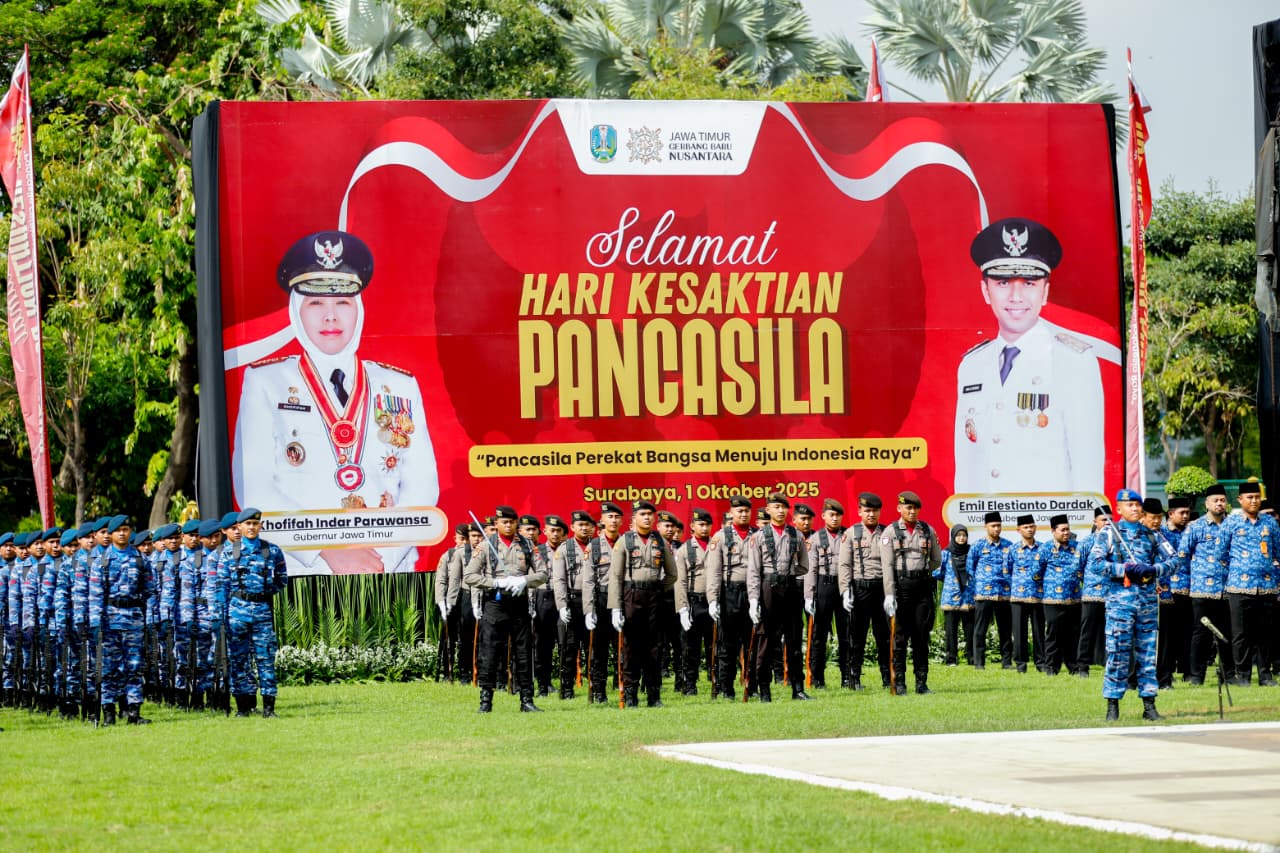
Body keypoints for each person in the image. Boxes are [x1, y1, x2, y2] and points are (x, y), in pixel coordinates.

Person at [232, 229, 439, 575]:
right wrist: (325, 554)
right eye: (315, 303)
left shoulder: (399, 386)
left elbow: (422, 486)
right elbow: (255, 490)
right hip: (302, 577)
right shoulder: (265, 383)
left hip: (387, 575)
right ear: (297, 310)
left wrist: (381, 559)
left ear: (358, 308)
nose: (330, 317)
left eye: (342, 302)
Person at [954, 217, 1105, 496]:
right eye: (1002, 283)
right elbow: (965, 467)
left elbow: (1088, 471)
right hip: (985, 534)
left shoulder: (1074, 362)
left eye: (1029, 283)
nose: (1015, 296)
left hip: (1048, 533)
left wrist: (1079, 538)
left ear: (1045, 291)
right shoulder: (972, 366)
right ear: (985, 290)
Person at [1093, 489, 1174, 721]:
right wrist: (1124, 569)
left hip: (1147, 604)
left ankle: (1149, 705)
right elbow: (1096, 564)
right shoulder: (1109, 534)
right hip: (1120, 605)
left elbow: (1175, 559)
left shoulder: (1152, 535)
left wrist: (1153, 570)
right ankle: (1112, 704)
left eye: (1138, 505)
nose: (1135, 509)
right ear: (1118, 509)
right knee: (1118, 652)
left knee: (1148, 654)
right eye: (1129, 505)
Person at [465, 505, 547, 713]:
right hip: (495, 603)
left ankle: (526, 700)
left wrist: (523, 580)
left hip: (518, 603)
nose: (508, 525)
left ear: (516, 523)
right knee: (490, 652)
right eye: (504, 522)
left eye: (512, 522)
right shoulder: (486, 545)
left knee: (523, 652)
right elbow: (470, 576)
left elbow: (543, 573)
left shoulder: (527, 545)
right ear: (497, 524)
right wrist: (496, 583)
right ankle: (486, 701)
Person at [218, 508, 288, 717]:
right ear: (239, 527)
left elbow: (282, 579)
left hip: (262, 614)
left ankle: (269, 707)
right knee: (239, 660)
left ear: (261, 526)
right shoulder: (229, 553)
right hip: (237, 613)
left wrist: (265, 593)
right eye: (247, 524)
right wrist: (220, 616)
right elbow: (221, 586)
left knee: (265, 658)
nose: (251, 527)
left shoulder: (271, 551)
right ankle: (243, 706)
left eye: (255, 524)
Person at [607, 500, 677, 708]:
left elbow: (672, 574)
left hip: (654, 597)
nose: (647, 517)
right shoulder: (624, 541)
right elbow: (615, 576)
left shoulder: (659, 541)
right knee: (631, 648)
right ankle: (631, 695)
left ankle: (654, 695)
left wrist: (657, 589)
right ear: (634, 518)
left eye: (650, 514)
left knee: (654, 647)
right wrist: (616, 607)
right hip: (631, 596)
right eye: (642, 514)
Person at [89, 516, 156, 725]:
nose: (122, 534)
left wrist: (146, 615)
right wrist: (95, 621)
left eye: (126, 529)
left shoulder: (139, 558)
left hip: (134, 619)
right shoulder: (102, 560)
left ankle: (133, 712)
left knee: (134, 666)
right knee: (109, 667)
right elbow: (96, 594)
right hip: (110, 620)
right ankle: (109, 712)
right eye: (118, 530)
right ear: (110, 534)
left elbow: (150, 589)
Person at [1214, 482, 1280, 687]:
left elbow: (1277, 552)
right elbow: (1220, 554)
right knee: (1240, 635)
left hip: (1266, 586)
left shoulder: (1270, 523)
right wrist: (1238, 570)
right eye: (1249, 497)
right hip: (1238, 588)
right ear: (1240, 500)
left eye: (1256, 497)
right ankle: (1242, 675)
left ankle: (1265, 675)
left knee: (1265, 634)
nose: (1253, 501)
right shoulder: (1231, 523)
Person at [746, 492, 810, 702]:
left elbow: (804, 565)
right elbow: (754, 571)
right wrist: (754, 600)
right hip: (768, 589)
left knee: (794, 640)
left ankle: (798, 688)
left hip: (790, 588)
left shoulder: (796, 535)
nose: (780, 511)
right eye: (776, 507)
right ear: (768, 510)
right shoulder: (758, 536)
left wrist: (788, 574)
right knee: (766, 641)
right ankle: (764, 689)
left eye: (784, 507)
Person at [879, 491, 942, 695]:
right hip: (901, 589)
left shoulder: (927, 530)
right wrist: (889, 593)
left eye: (915, 508)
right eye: (908, 507)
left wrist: (921, 573)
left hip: (922, 588)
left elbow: (936, 559)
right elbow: (887, 565)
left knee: (921, 637)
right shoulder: (890, 532)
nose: (912, 511)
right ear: (899, 508)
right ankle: (899, 683)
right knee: (899, 639)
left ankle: (921, 683)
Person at [1181, 484, 1235, 685]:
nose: (1219, 504)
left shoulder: (1233, 525)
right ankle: (1197, 676)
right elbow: (1183, 556)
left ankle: (1229, 675)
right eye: (1216, 500)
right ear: (1207, 504)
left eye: (1222, 500)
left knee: (1227, 632)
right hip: (1202, 590)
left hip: (1228, 589)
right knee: (1200, 634)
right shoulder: (1195, 527)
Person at [837, 492, 892, 690]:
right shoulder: (851, 534)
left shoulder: (887, 533)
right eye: (867, 510)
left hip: (881, 590)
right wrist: (845, 591)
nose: (871, 514)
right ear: (860, 511)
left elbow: (891, 564)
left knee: (883, 636)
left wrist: (891, 594)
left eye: (875, 511)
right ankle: (854, 679)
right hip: (860, 589)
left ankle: (887, 677)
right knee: (856, 636)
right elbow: (844, 565)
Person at [705, 495, 755, 700]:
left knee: (752, 643)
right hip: (730, 593)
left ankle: (751, 686)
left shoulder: (757, 536)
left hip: (751, 593)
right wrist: (713, 599)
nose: (743, 514)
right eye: (739, 511)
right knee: (728, 645)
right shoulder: (721, 537)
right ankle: (726, 688)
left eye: (746, 511)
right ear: (731, 513)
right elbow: (714, 571)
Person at [582, 502, 624, 704]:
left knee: (624, 647)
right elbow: (588, 580)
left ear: (622, 521)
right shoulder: (594, 546)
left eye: (617, 517)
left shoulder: (627, 542)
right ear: (602, 521)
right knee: (599, 649)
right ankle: (599, 690)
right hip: (601, 599)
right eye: (610, 517)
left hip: (623, 600)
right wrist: (589, 609)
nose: (613, 521)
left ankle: (625, 686)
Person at [552, 511, 596, 700]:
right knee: (568, 649)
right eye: (580, 525)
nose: (584, 528)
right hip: (572, 601)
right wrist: (562, 605)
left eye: (587, 525)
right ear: (572, 527)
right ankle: (567, 688)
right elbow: (559, 579)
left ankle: (595, 688)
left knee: (593, 648)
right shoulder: (564, 549)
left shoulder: (597, 547)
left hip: (593, 603)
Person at [804, 499, 848, 688]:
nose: (835, 518)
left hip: (843, 587)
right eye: (831, 514)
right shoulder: (815, 539)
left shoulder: (848, 536)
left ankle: (848, 677)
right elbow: (810, 569)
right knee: (819, 635)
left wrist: (848, 590)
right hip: (824, 586)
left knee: (847, 634)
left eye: (838, 515)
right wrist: (809, 595)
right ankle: (817, 678)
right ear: (823, 516)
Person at [1036, 515, 1085, 676]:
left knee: (1073, 634)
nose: (1066, 533)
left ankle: (1074, 667)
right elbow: (1036, 572)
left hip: (1074, 598)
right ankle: (1051, 667)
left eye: (1068, 529)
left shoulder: (1076, 547)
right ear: (1053, 531)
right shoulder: (1045, 549)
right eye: (1062, 530)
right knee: (1053, 634)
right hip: (1052, 600)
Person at [674, 508, 714, 696]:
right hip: (694, 602)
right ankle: (689, 685)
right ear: (692, 527)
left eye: (707, 525)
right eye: (701, 524)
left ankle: (718, 683)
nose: (704, 528)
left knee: (716, 646)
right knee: (690, 648)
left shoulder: (716, 546)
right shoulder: (684, 550)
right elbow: (679, 581)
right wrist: (682, 608)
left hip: (714, 603)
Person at [968, 511, 1014, 669]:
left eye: (999, 525)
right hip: (984, 593)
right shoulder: (978, 546)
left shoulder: (1009, 546)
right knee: (980, 629)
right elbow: (970, 568)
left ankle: (1007, 662)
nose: (996, 529)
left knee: (1006, 629)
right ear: (986, 526)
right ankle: (979, 662)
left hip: (1004, 593)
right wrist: (979, 585)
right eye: (993, 526)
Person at [1160, 497, 1194, 684]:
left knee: (1188, 633)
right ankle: (1167, 672)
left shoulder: (1191, 532)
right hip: (1168, 591)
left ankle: (1188, 671)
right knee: (1169, 635)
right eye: (1182, 513)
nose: (1185, 516)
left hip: (1189, 589)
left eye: (1187, 513)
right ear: (1170, 514)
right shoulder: (1160, 534)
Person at [1076, 507, 1111, 677]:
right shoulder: (1087, 542)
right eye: (1104, 520)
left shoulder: (1116, 542)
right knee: (1087, 631)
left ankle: (1109, 664)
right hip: (1091, 593)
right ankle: (1083, 666)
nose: (1107, 523)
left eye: (1110, 520)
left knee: (1110, 632)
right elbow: (1078, 567)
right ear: (1095, 522)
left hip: (1110, 594)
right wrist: (1090, 581)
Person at [1008, 514, 1046, 674]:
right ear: (1018, 530)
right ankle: (1021, 664)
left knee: (1039, 632)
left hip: (1038, 596)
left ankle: (1041, 663)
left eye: (1032, 526)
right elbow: (1007, 570)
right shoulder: (1012, 549)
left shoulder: (1044, 548)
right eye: (1026, 527)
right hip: (1018, 597)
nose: (1029, 530)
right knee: (1019, 632)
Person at [935, 524, 974, 666]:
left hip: (968, 597)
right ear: (953, 537)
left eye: (964, 535)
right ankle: (951, 658)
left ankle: (972, 658)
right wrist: (951, 581)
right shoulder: (946, 553)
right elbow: (937, 571)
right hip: (951, 597)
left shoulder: (971, 553)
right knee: (951, 631)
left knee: (970, 630)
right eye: (958, 535)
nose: (962, 538)